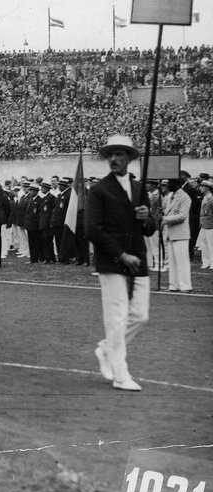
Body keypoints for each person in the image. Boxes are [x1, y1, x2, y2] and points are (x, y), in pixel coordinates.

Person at [86, 135, 156, 392]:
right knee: (116, 319)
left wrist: (146, 217)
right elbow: (92, 229)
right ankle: (120, 374)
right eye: (111, 155)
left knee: (140, 316)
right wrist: (120, 255)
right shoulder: (99, 190)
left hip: (138, 259)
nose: (114, 159)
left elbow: (149, 229)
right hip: (113, 261)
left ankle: (106, 349)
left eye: (120, 154)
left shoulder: (139, 189)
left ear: (129, 158)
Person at [162, 178, 193, 292]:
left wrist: (164, 219)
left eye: (170, 183)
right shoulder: (170, 196)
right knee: (172, 261)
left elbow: (182, 216)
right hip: (171, 232)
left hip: (180, 233)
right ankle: (174, 285)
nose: (168, 185)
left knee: (182, 261)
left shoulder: (184, 197)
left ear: (177, 185)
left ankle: (185, 285)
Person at [198, 178, 213, 269]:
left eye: (202, 186)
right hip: (204, 224)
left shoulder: (211, 198)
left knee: (211, 245)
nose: (201, 188)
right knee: (204, 244)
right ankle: (206, 262)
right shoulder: (204, 198)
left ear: (207, 188)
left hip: (210, 225)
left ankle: (212, 262)